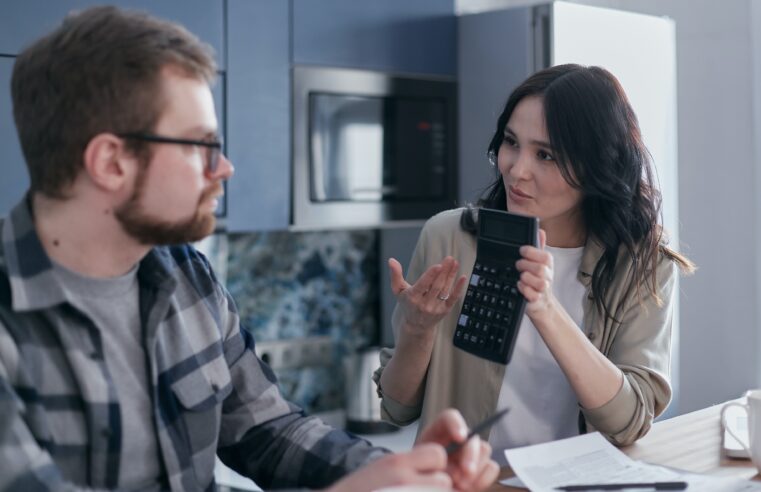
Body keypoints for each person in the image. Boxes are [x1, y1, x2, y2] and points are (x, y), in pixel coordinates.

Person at [0, 6, 499, 491]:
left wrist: (391, 473)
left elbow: (267, 430)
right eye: (202, 146)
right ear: (111, 162)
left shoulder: (186, 277)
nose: (225, 169)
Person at [374, 64, 695, 457]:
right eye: (511, 142)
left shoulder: (644, 265)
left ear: (597, 167)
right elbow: (396, 408)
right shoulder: (448, 237)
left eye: (545, 154)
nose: (516, 169)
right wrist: (417, 330)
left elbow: (627, 424)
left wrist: (545, 307)